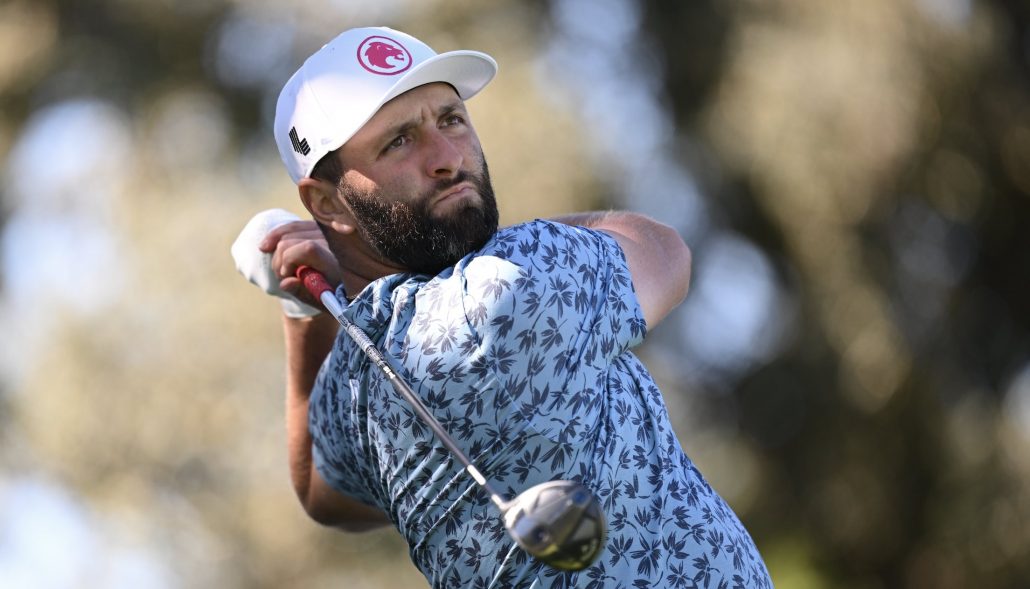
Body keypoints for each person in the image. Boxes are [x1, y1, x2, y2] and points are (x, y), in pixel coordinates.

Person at [233, 26, 772, 588]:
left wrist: (303, 310)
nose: (446, 159)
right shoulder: (511, 285)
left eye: (450, 119)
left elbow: (322, 494)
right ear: (327, 203)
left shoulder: (354, 391)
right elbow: (663, 249)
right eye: (398, 142)